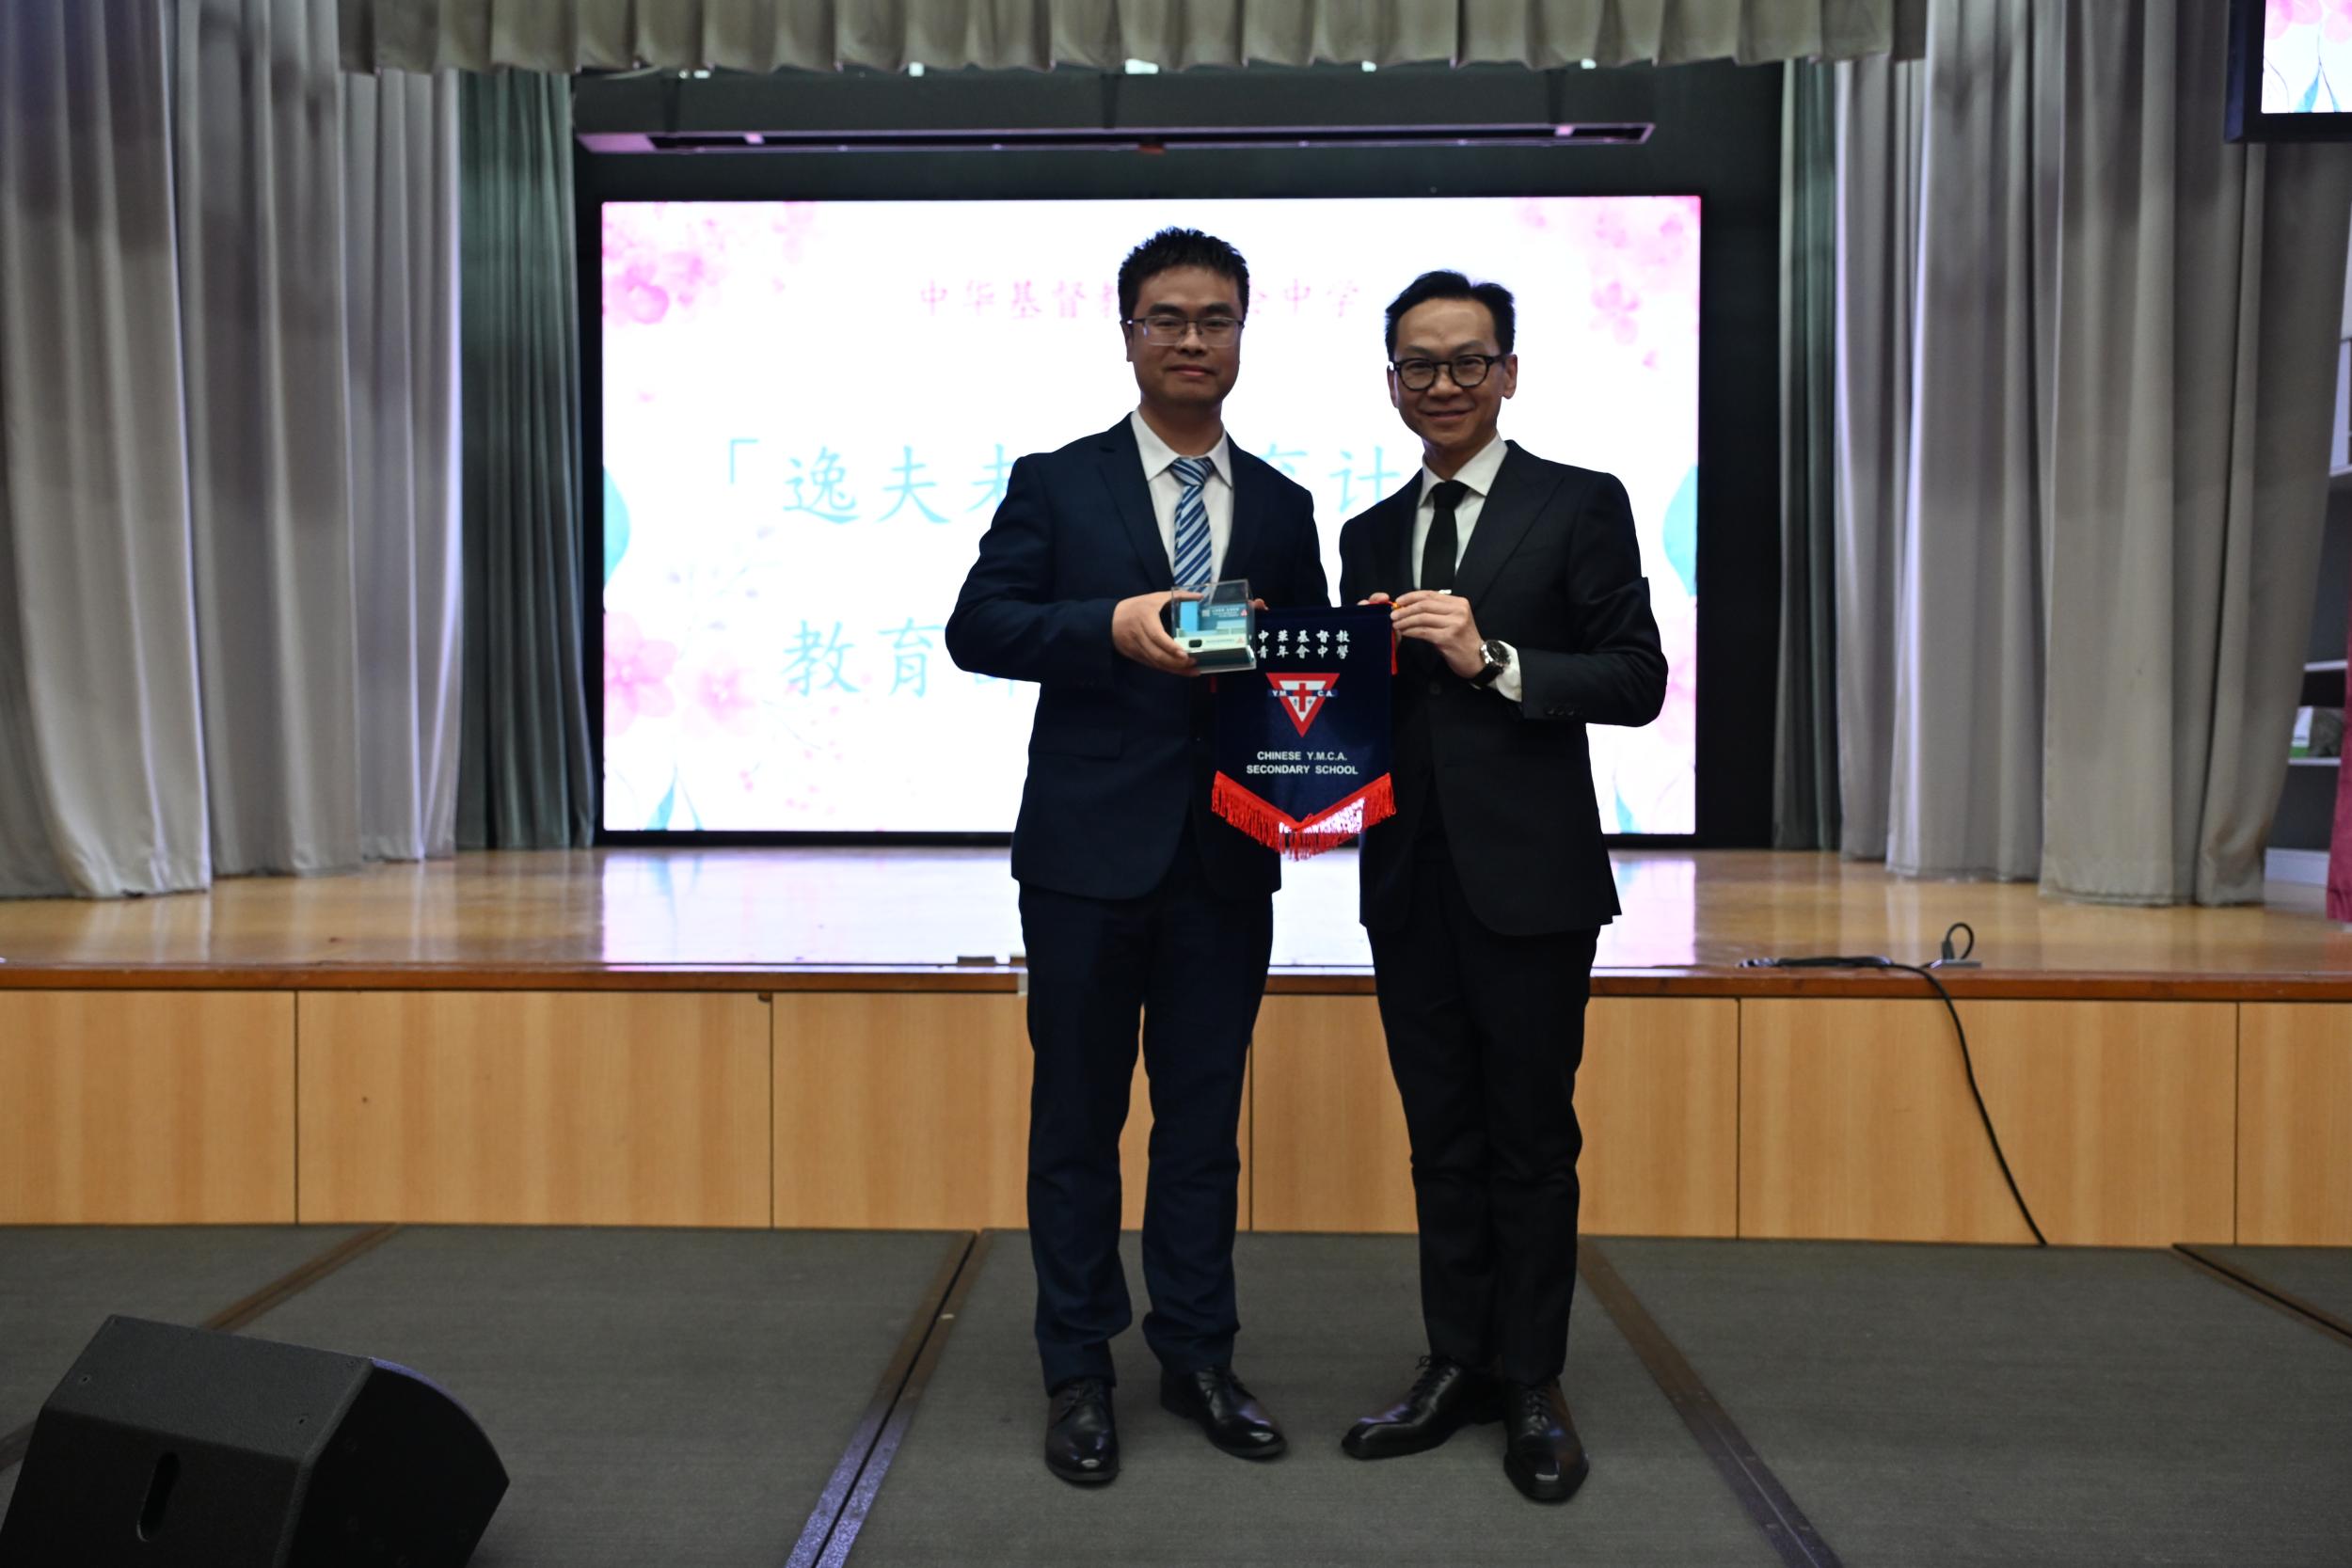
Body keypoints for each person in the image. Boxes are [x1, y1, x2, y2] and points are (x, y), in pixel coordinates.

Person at [945, 228, 1328, 1487]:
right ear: (1127, 335)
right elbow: (978, 627)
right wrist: (1108, 625)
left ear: (1241, 336)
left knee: (1203, 1129)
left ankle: (1200, 1357)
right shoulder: (1057, 483)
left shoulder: (1283, 505)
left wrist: (1329, 684)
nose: (1190, 340)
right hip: (1084, 859)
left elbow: (1301, 675)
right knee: (1077, 1123)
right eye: (1166, 318)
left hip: (1226, 857)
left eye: (1214, 320)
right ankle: (1077, 1371)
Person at [1333, 270, 1666, 1503]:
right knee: (1441, 1137)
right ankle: (1455, 1363)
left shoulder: (1580, 503)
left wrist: (1494, 659)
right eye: (1420, 365)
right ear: (1392, 384)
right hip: (1407, 877)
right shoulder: (1369, 532)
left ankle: (1532, 1381)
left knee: (1530, 1139)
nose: (1445, 384)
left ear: (1508, 372)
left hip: (1533, 881)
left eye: (1467, 360)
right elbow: (1354, 716)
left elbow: (1636, 678)